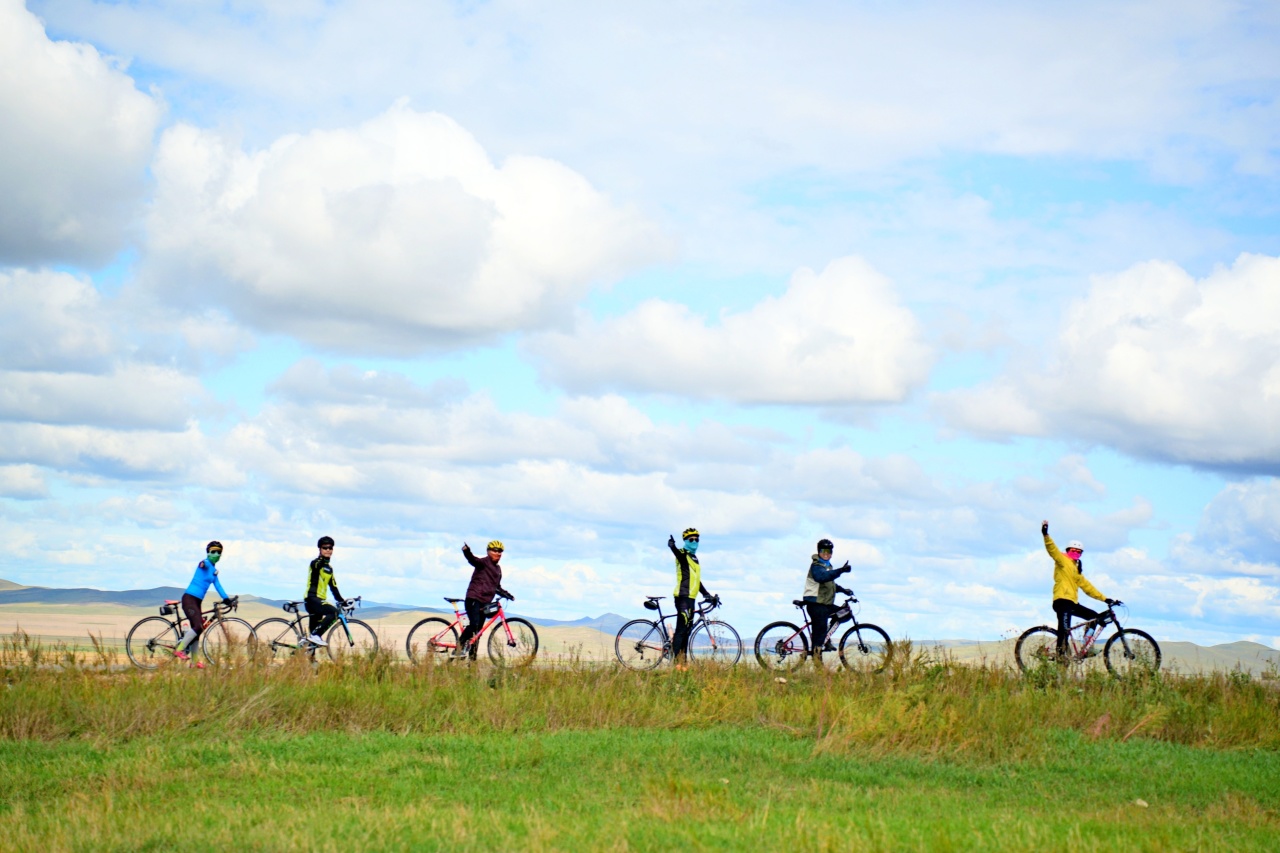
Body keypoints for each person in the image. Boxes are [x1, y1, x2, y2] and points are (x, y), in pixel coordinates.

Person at [1042, 521, 1115, 656]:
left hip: (1072, 602)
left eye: (1079, 552)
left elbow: (1087, 587)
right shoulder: (1062, 560)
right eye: (1073, 551)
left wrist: (1105, 599)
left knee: (1094, 618)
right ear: (1067, 550)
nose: (1076, 553)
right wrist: (1046, 535)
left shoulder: (1076, 569)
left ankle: (1086, 648)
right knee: (1064, 630)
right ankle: (1060, 658)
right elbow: (1052, 550)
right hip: (1062, 600)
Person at [174, 540, 233, 666]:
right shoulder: (205, 563)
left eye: (219, 552)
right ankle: (179, 649)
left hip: (197, 602)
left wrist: (227, 599)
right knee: (198, 626)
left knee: (197, 631)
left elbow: (218, 586)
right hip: (189, 599)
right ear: (208, 552)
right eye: (213, 551)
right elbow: (203, 564)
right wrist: (203, 563)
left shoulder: (214, 572)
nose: (216, 554)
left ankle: (194, 662)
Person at [667, 528, 716, 669]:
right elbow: (678, 554)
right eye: (691, 539)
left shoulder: (694, 558)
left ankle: (684, 663)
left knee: (687, 632)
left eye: (697, 539)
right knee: (682, 630)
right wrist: (672, 547)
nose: (694, 542)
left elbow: (696, 580)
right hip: (683, 596)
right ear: (685, 541)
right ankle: (676, 664)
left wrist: (706, 594)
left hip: (691, 598)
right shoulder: (682, 553)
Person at [456, 540, 513, 660]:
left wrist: (507, 595)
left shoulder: (498, 569)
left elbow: (497, 587)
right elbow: (473, 560)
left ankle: (472, 661)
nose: (498, 553)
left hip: (485, 602)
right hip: (474, 598)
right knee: (474, 624)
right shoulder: (483, 563)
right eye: (495, 550)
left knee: (478, 633)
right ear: (488, 552)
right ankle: (458, 648)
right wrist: (467, 551)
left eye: (500, 551)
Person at [803, 538, 852, 661]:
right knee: (819, 633)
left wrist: (844, 590)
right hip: (816, 604)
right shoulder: (816, 566)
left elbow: (830, 584)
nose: (826, 553)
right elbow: (822, 577)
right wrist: (841, 570)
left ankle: (826, 638)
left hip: (824, 604)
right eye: (823, 551)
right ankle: (817, 660)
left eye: (828, 551)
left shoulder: (827, 567)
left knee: (844, 613)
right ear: (818, 552)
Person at [305, 536, 348, 647]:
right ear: (320, 549)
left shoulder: (329, 569)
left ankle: (304, 654)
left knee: (313, 640)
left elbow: (333, 588)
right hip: (312, 599)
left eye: (330, 548)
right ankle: (315, 635)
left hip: (319, 601)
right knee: (334, 613)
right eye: (325, 548)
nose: (328, 550)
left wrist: (343, 602)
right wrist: (322, 559)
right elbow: (316, 565)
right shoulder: (315, 563)